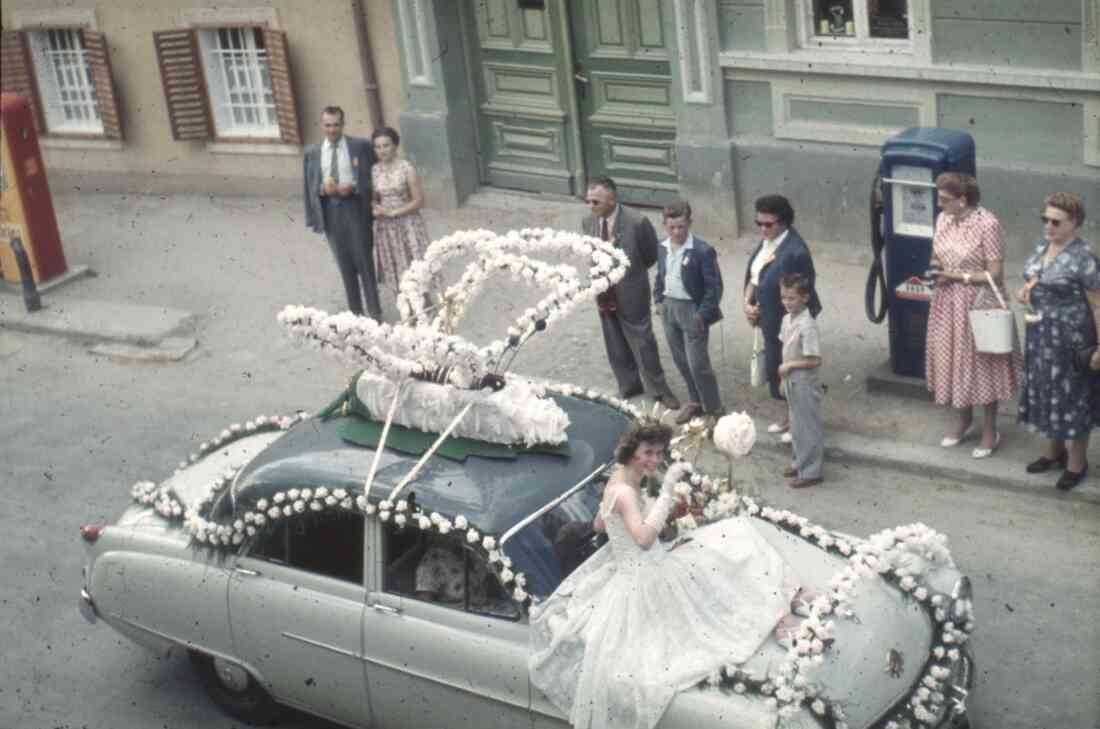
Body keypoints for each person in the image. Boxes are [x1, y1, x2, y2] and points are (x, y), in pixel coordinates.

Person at [529, 422, 800, 729]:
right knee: (729, 553)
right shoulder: (625, 492)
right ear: (631, 451)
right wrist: (668, 492)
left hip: (639, 568)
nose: (654, 460)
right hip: (646, 577)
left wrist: (635, 523)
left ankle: (784, 603)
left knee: (726, 541)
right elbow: (644, 539)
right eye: (648, 453)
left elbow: (601, 524)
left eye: (658, 453)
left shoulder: (617, 479)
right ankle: (782, 611)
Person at [925, 173, 1019, 458]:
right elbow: (937, 255)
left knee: (982, 365)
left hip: (979, 302)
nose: (939, 203)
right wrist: (934, 269)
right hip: (947, 302)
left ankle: (991, 429)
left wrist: (954, 276)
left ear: (963, 199)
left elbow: (994, 273)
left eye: (944, 199)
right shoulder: (942, 220)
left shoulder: (987, 224)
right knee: (953, 360)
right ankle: (963, 419)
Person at [1015, 192, 1099, 490]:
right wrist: (1025, 290)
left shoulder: (1083, 257)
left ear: (1074, 223)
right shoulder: (1042, 246)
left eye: (1056, 221)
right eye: (1045, 219)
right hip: (1040, 338)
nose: (1048, 226)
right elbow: (1035, 277)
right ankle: (1054, 452)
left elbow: (1097, 305)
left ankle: (1077, 463)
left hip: (1072, 342)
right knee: (1049, 392)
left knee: (1074, 399)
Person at [583, 177, 679, 410]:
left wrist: (630, 276)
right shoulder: (589, 222)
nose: (591, 206)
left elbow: (650, 255)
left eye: (595, 202)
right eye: (588, 201)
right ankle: (628, 385)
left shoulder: (637, 222)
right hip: (603, 290)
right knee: (614, 340)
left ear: (612, 200)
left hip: (631, 292)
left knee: (643, 341)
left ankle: (659, 388)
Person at [743, 195, 821, 438]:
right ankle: (788, 415)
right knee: (777, 368)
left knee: (789, 372)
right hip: (768, 318)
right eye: (759, 223)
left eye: (768, 224)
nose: (763, 229)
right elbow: (755, 275)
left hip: (787, 323)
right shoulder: (769, 242)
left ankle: (797, 422)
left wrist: (791, 325)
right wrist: (747, 303)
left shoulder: (795, 251)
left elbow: (803, 290)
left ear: (784, 222)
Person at [303, 106, 383, 319]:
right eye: (328, 125)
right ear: (322, 125)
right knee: (344, 263)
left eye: (336, 124)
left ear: (343, 123)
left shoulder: (360, 146)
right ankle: (355, 313)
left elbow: (375, 178)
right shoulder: (312, 152)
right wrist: (322, 189)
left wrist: (355, 187)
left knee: (364, 261)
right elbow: (308, 186)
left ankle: (375, 313)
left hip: (355, 209)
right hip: (331, 211)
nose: (332, 129)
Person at [653, 200, 723, 424]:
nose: (676, 232)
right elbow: (660, 276)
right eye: (671, 227)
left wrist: (702, 314)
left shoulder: (702, 251)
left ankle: (713, 408)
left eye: (681, 226)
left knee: (698, 364)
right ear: (664, 225)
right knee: (681, 359)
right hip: (669, 308)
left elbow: (714, 287)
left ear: (689, 223)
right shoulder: (662, 247)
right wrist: (658, 300)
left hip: (692, 310)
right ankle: (694, 401)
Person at [370, 127, 431, 298]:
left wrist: (394, 212)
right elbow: (373, 199)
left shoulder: (406, 168)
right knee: (394, 265)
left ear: (395, 146)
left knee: (414, 264)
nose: (382, 150)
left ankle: (425, 306)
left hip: (408, 224)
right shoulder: (373, 171)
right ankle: (406, 308)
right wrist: (376, 208)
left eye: (386, 145)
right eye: (378, 147)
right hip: (386, 229)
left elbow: (419, 200)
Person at [778, 274, 824, 488]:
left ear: (805, 298)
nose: (787, 303)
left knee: (807, 426)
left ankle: (812, 471)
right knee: (796, 425)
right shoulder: (787, 319)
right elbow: (785, 346)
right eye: (784, 298)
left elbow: (814, 359)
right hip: (790, 380)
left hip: (804, 382)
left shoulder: (808, 325)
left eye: (792, 298)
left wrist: (790, 366)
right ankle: (799, 462)